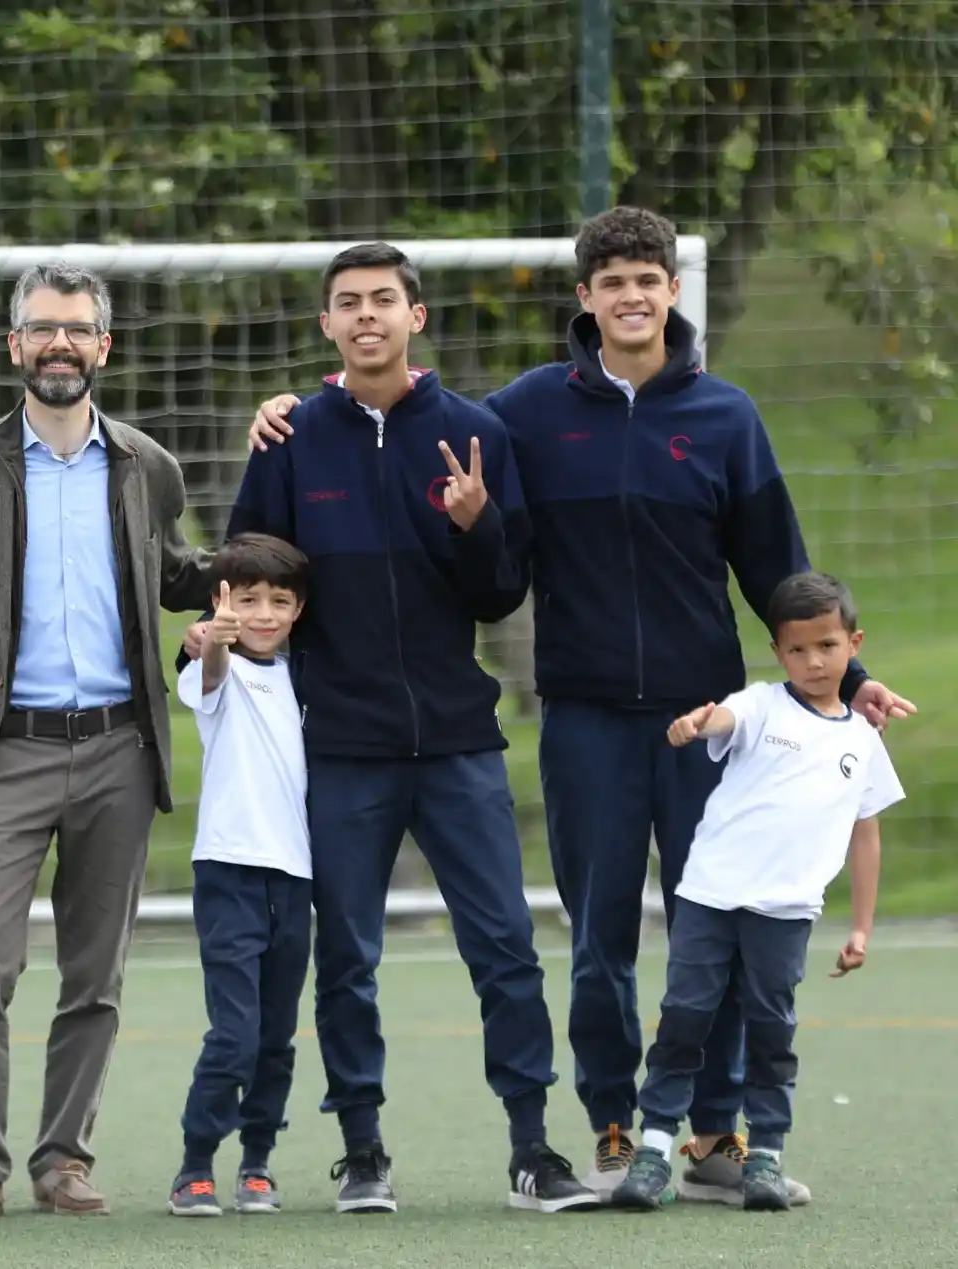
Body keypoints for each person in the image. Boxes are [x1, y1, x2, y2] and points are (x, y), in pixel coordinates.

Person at [236, 208, 914, 1204]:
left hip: (707, 724)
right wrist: (295, 404)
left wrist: (848, 683)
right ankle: (610, 1122)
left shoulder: (726, 417)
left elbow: (780, 574)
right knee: (599, 938)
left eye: (650, 279)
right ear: (586, 298)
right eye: (613, 281)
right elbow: (419, 428)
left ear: (672, 292)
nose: (632, 296)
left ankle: (716, 1136)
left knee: (713, 929)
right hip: (584, 716)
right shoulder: (520, 416)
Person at [193, 241, 593, 1214]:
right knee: (350, 959)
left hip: (458, 743)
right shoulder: (289, 440)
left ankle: (534, 1148)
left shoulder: (475, 433)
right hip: (341, 748)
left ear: (417, 316)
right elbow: (252, 579)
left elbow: (501, 594)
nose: (366, 315)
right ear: (328, 325)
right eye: (347, 303)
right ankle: (363, 1148)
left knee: (503, 944)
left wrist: (474, 521)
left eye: (384, 299)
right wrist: (212, 636)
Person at [0, 261, 214, 1220]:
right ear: (14, 343)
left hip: (119, 747)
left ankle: (64, 1157)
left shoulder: (147, 464)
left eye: (77, 329)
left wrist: (265, 573)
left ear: (104, 346)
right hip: (3, 749)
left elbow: (177, 573)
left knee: (94, 974)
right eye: (41, 328)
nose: (59, 344)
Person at [612, 571, 902, 1213]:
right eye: (796, 650)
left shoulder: (861, 739)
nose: (813, 661)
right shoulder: (762, 703)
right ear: (778, 653)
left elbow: (865, 835)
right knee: (685, 1020)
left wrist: (861, 927)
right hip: (711, 899)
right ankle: (656, 1151)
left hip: (787, 914)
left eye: (826, 646)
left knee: (772, 1030)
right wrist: (696, 721)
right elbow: (724, 717)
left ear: (854, 644)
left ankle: (765, 1157)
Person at [164, 534, 311, 1220]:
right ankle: (195, 1162)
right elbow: (210, 669)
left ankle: (257, 1162)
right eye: (247, 599)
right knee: (235, 1033)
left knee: (276, 1035)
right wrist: (212, 638)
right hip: (228, 871)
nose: (263, 613)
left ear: (299, 609)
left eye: (278, 601)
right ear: (221, 601)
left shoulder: (304, 678)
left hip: (296, 880)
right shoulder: (210, 670)